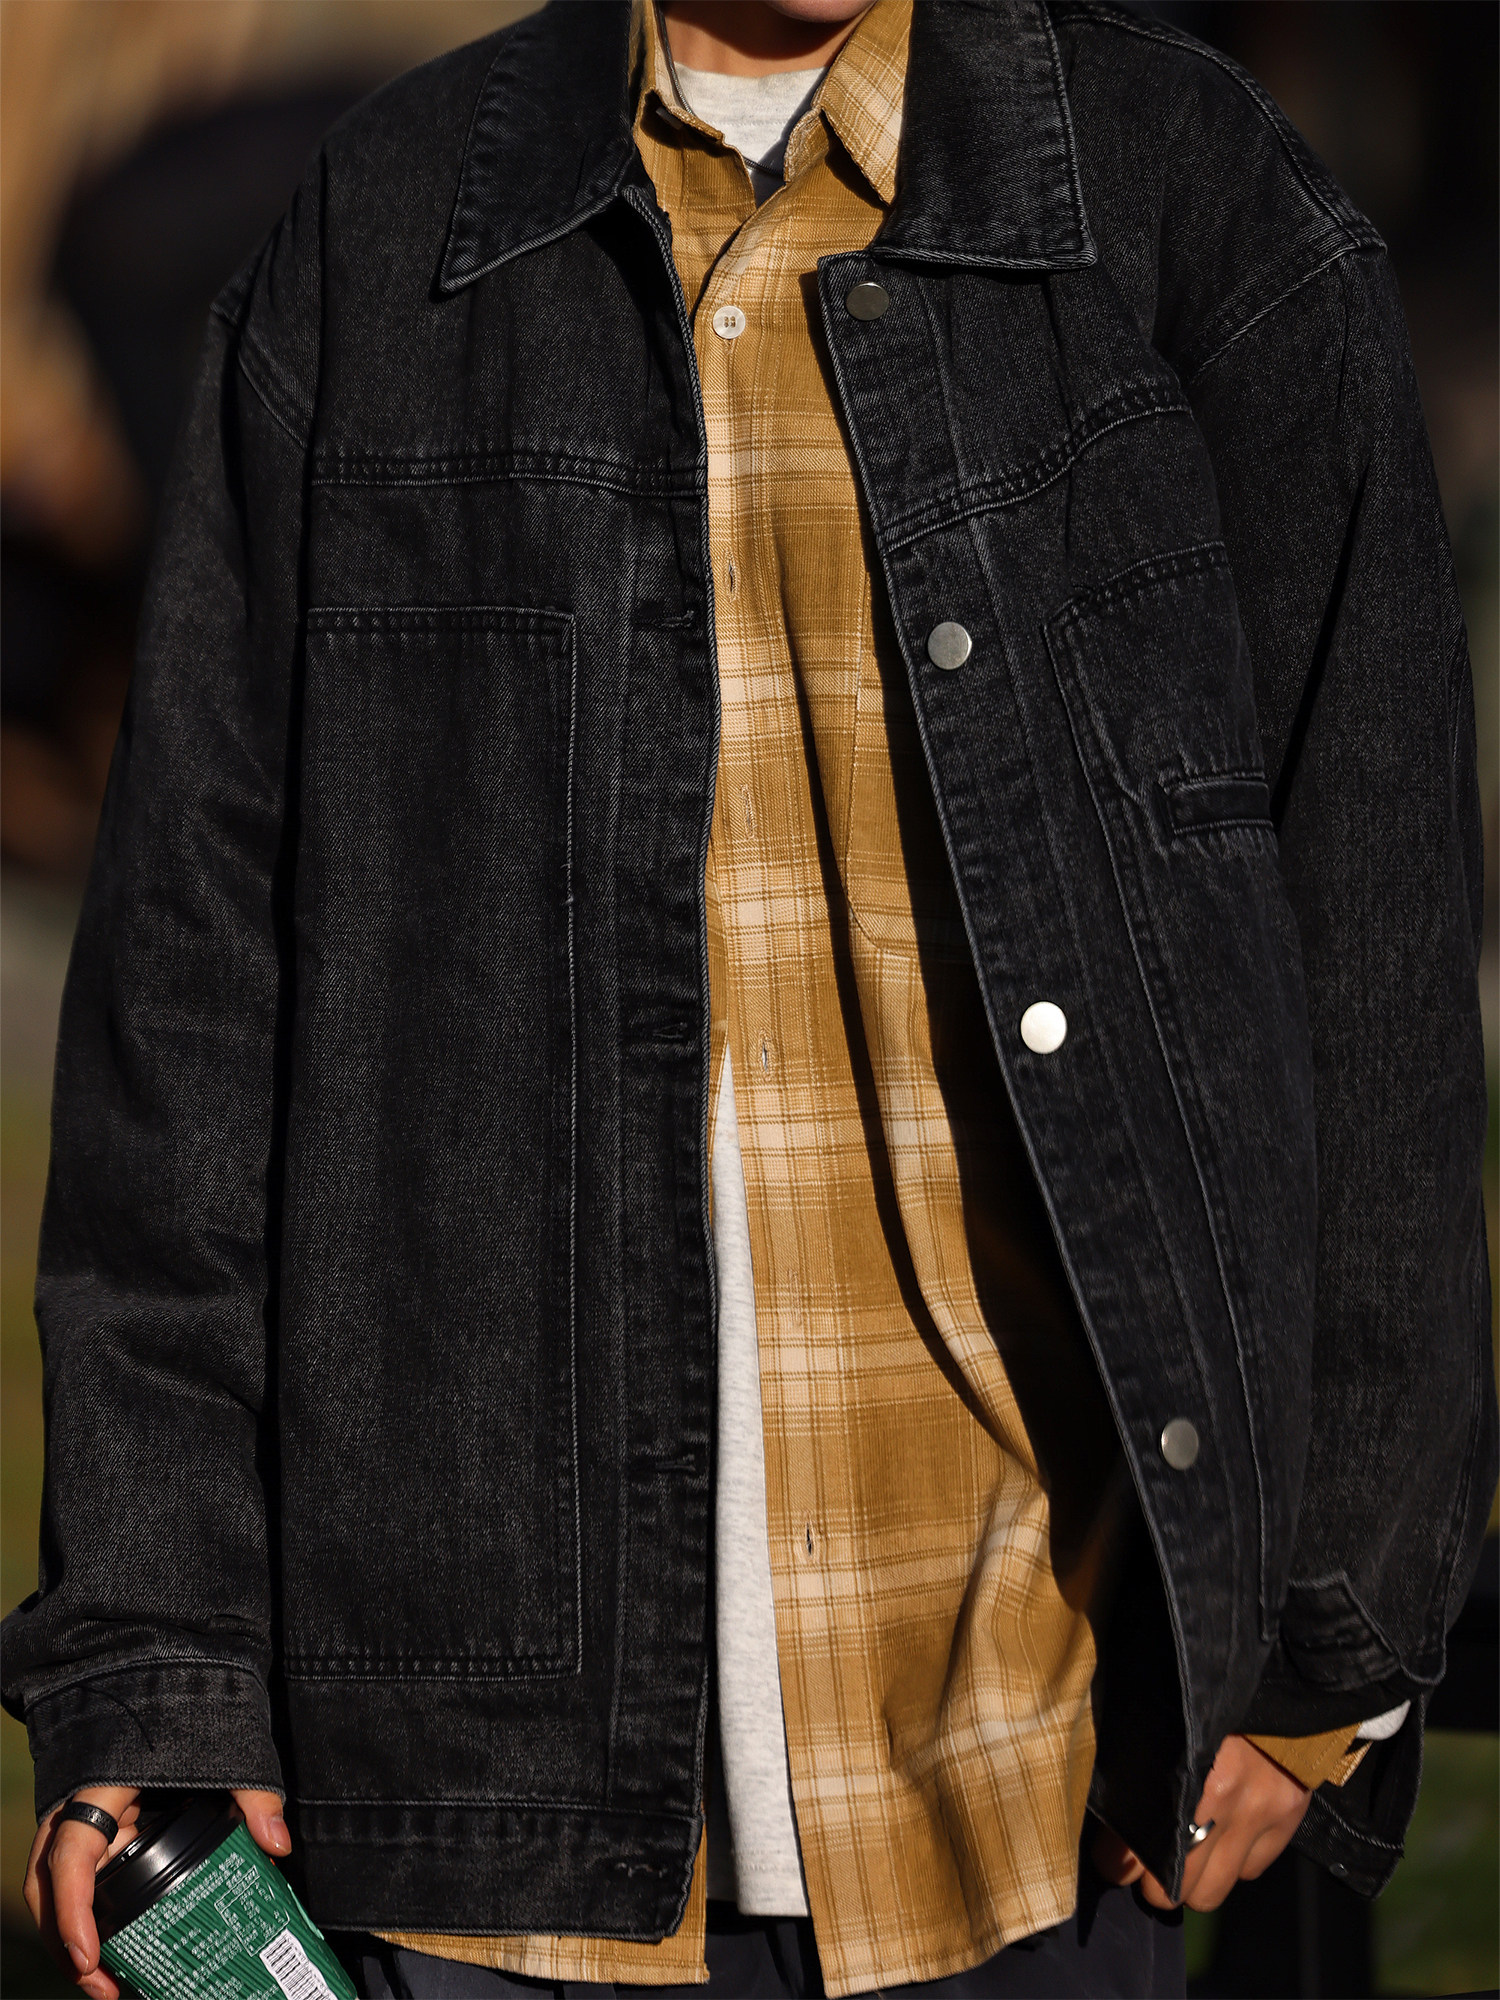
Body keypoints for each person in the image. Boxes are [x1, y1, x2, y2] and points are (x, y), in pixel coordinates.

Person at [5, 1, 1494, 1995]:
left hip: (1048, 1787)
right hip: (475, 1818)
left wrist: (1331, 1634)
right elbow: (190, 1016)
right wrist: (158, 1653)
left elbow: (1374, 947)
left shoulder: (1193, 196)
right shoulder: (379, 230)